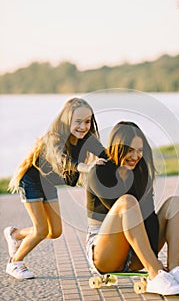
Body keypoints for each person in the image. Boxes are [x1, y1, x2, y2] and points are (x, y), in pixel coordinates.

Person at [86, 121, 179, 296]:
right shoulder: (99, 172)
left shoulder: (140, 171)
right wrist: (154, 265)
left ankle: (174, 270)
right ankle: (155, 276)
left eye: (139, 150)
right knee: (128, 203)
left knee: (175, 203)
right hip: (105, 254)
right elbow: (124, 212)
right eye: (130, 150)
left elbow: (149, 217)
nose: (136, 156)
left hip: (137, 253)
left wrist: (153, 257)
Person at [4, 97, 106, 280]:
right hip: (31, 181)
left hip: (48, 184)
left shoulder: (86, 139)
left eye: (87, 122)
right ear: (67, 120)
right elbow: (63, 160)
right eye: (78, 122)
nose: (83, 126)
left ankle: (15, 234)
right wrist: (86, 167)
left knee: (54, 232)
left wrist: (125, 161)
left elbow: (105, 154)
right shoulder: (55, 138)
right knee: (41, 229)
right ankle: (14, 263)